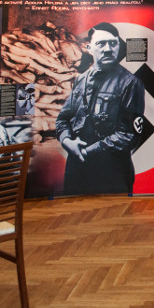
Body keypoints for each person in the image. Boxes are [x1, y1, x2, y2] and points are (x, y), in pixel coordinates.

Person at [56, 22, 145, 196]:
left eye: (113, 43)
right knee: (74, 211)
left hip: (112, 171)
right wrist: (68, 142)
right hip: (76, 170)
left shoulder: (130, 83)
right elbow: (63, 119)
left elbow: (128, 135)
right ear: (89, 48)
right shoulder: (80, 80)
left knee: (114, 211)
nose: (108, 49)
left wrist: (85, 152)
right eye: (101, 43)